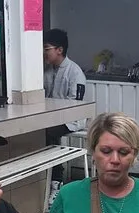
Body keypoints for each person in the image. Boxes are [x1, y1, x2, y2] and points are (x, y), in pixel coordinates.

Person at [43, 28, 87, 200]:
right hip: (51, 118)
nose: (44, 53)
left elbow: (75, 105)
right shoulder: (46, 70)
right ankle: (45, 179)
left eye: (47, 49)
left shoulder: (74, 72)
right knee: (38, 132)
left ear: (59, 50)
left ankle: (56, 181)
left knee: (48, 134)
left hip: (71, 119)